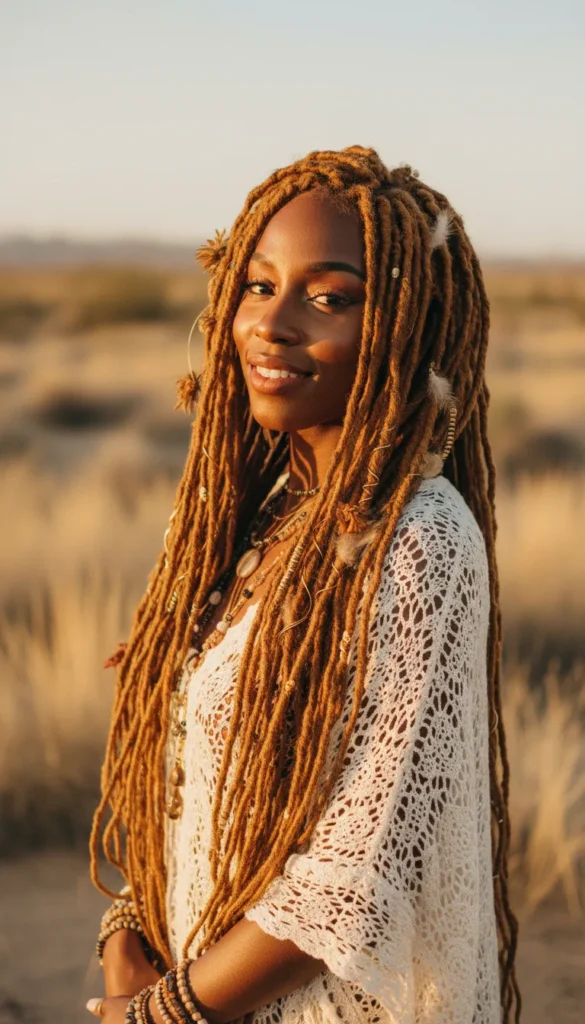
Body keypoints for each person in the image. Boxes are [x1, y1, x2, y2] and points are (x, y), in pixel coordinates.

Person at [86, 146, 521, 1024]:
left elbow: (351, 878)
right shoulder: (251, 515)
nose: (270, 325)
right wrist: (131, 922)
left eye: (329, 298)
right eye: (256, 286)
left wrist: (162, 1014)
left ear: (410, 325)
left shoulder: (421, 540)